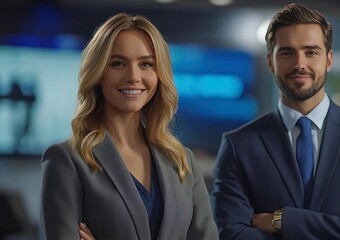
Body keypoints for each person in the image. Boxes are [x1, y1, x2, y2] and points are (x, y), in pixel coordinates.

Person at [211, 3, 340, 240]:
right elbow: (232, 235)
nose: (299, 63)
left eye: (311, 52)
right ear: (270, 62)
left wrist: (284, 221)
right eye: (287, 52)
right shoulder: (239, 144)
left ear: (329, 60)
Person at [40, 12, 218, 240]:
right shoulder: (66, 160)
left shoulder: (183, 161)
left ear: (159, 74)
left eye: (146, 64)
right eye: (118, 64)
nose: (133, 76)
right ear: (98, 72)